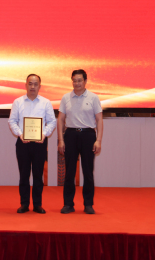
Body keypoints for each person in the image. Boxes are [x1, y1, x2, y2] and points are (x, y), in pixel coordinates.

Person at [8, 74, 56, 214]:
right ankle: (24, 203)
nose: (33, 86)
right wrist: (20, 134)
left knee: (38, 175)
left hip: (40, 143)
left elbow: (52, 121)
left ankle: (37, 204)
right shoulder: (18, 102)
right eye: (30, 83)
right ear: (26, 85)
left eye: (35, 84)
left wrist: (44, 134)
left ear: (40, 86)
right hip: (23, 143)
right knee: (24, 175)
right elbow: (12, 121)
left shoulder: (46, 103)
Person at [57, 69, 103, 214]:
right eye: (74, 81)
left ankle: (88, 204)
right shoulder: (66, 97)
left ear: (85, 81)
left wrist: (98, 140)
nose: (77, 83)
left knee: (88, 172)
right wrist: (61, 140)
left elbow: (99, 120)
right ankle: (68, 204)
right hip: (70, 134)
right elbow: (61, 119)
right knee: (69, 172)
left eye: (79, 80)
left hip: (88, 135)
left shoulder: (93, 98)